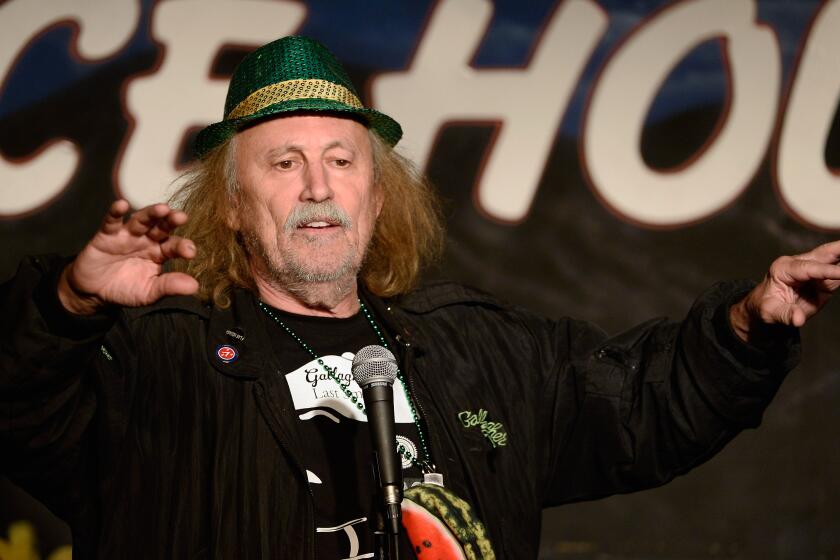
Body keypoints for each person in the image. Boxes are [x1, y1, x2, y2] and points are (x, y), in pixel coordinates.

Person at [2, 35, 839, 559]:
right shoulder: (157, 361)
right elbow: (17, 405)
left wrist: (746, 325)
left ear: (379, 190)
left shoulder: (475, 352)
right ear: (230, 204)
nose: (319, 186)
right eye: (284, 163)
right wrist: (66, 305)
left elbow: (642, 407)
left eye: (342, 158)